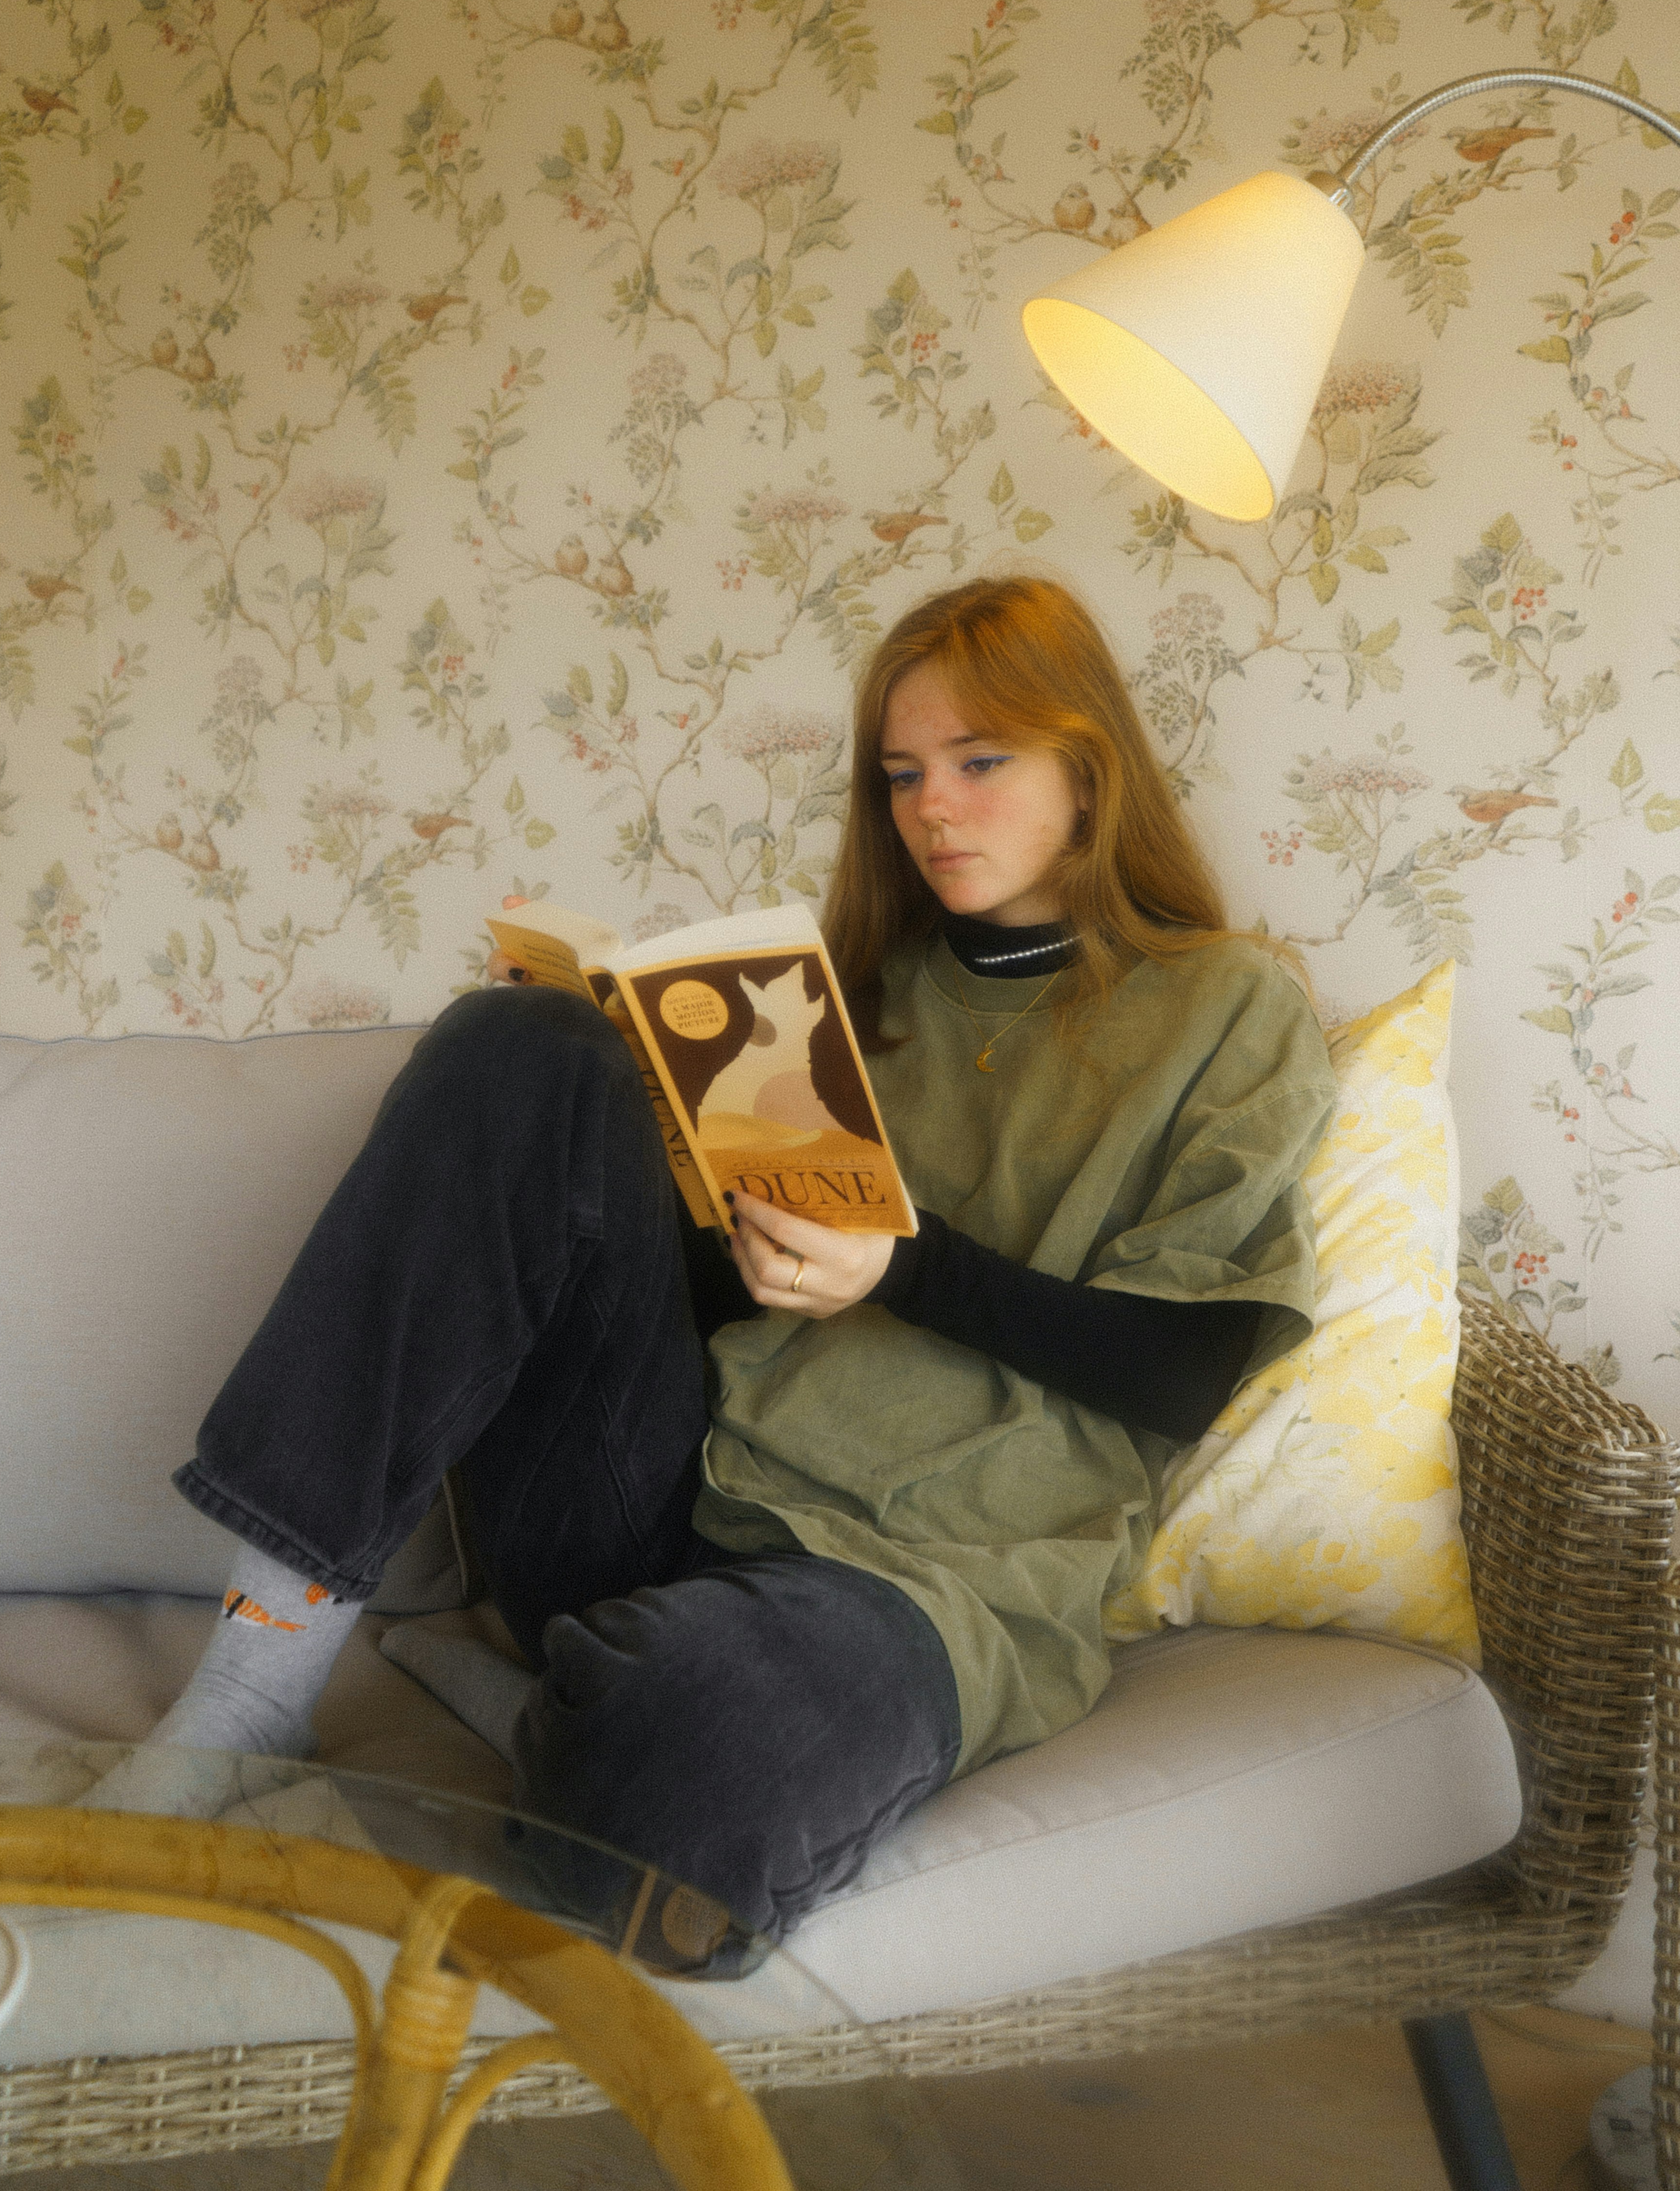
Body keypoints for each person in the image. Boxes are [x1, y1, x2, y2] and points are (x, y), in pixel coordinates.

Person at [130, 573, 1338, 1944]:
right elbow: (729, 1312)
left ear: (1089, 763)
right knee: (524, 1050)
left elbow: (1186, 1369)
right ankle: (244, 1703)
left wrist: (899, 1268)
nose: (931, 807)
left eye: (979, 761)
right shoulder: (840, 997)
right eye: (900, 775)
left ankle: (560, 1706)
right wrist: (633, 1150)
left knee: (688, 1806)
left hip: (921, 1587)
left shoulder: (1229, 1007)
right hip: (653, 1499)